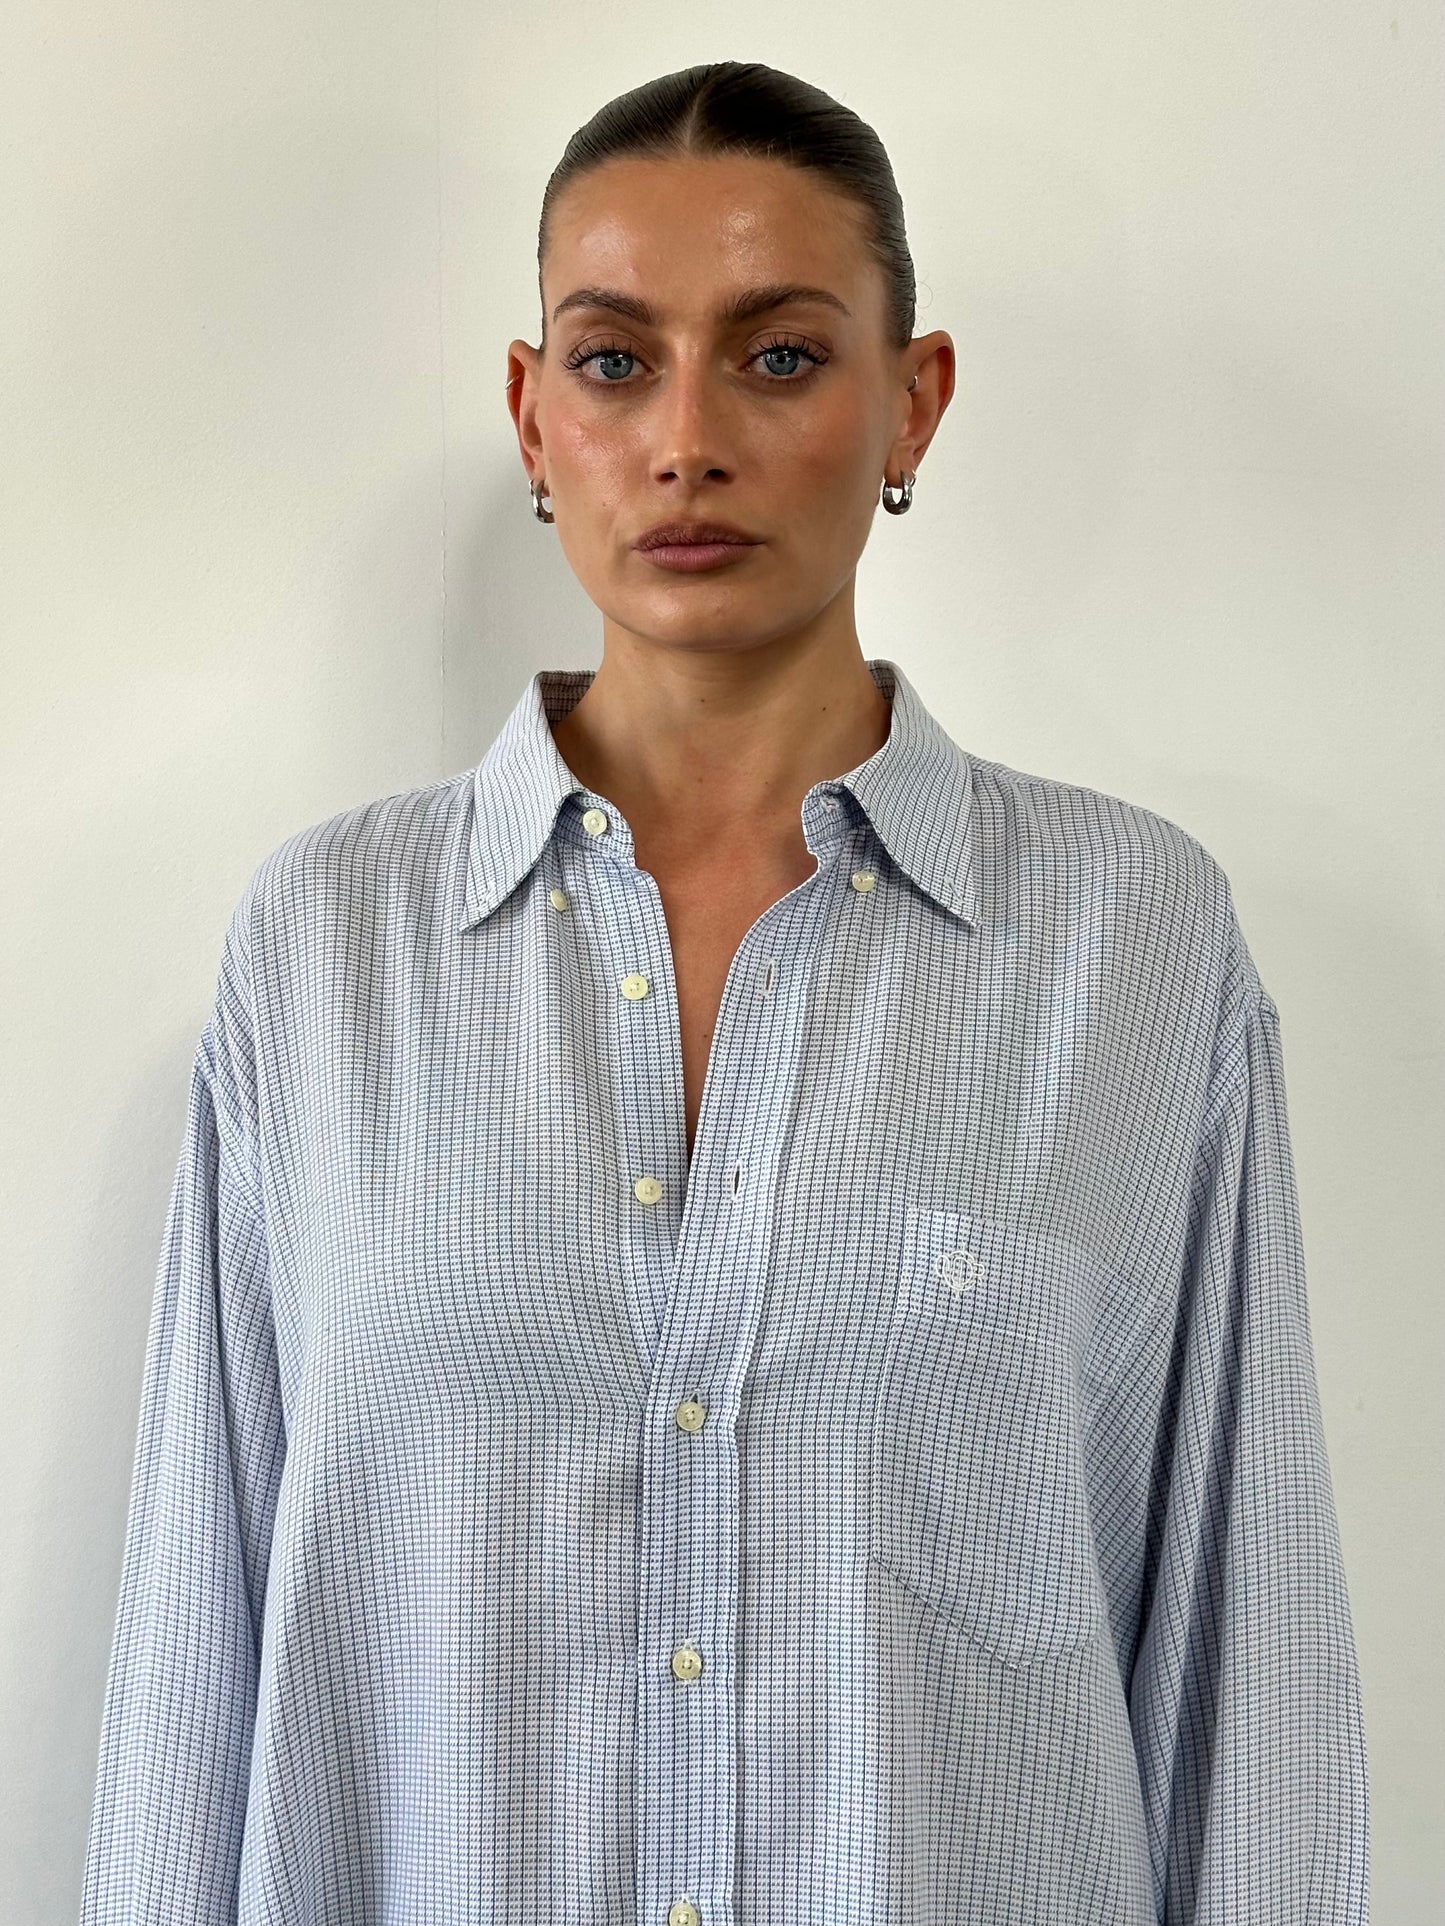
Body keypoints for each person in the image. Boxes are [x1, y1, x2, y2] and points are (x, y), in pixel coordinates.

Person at [80, 60, 1369, 1926]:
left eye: (777, 356)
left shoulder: (1130, 946)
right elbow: (196, 1657)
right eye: (614, 360)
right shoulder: (324, 951)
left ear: (910, 399)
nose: (686, 438)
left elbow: (1246, 1678)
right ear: (531, 414)